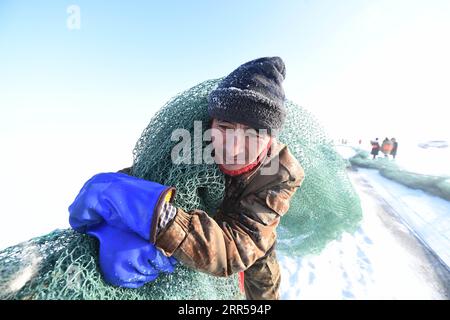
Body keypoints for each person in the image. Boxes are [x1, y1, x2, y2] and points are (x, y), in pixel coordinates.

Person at [68, 57, 305, 300]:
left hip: (248, 234)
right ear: (210, 123)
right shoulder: (190, 138)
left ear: (271, 140)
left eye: (254, 133)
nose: (233, 149)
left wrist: (158, 216)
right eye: (224, 126)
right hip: (203, 219)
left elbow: (235, 250)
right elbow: (148, 175)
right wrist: (114, 214)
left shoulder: (280, 173)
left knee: (262, 281)